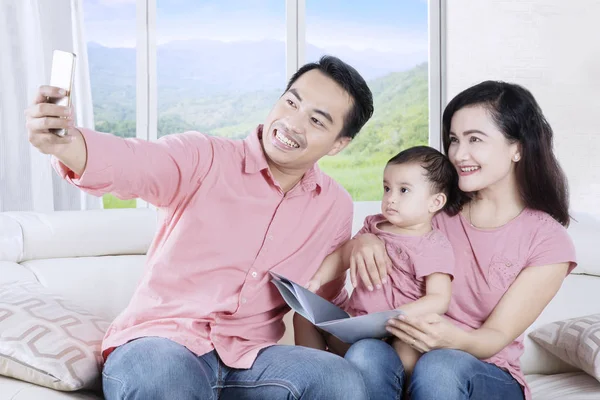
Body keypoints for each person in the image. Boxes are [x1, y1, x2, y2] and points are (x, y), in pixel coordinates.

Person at [25, 55, 374, 400]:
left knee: (338, 380)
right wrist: (66, 143)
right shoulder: (203, 156)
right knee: (164, 379)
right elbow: (129, 162)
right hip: (162, 345)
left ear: (338, 144)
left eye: (316, 120)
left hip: (251, 358)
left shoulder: (333, 205)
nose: (292, 124)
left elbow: (321, 300)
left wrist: (386, 305)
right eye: (291, 103)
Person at [343, 81, 576, 400]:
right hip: (409, 357)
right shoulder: (433, 212)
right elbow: (380, 232)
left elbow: (494, 337)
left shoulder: (549, 241)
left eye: (475, 139)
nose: (458, 154)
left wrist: (451, 339)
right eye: (453, 139)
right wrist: (365, 241)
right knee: (365, 353)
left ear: (517, 147)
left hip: (485, 370)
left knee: (440, 365)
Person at [293, 146, 460, 376]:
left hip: (395, 333)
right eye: (387, 188)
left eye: (404, 190)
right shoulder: (374, 226)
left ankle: (405, 389)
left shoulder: (433, 245)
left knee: (409, 351)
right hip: (355, 325)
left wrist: (393, 318)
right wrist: (315, 282)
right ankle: (316, 375)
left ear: (435, 202)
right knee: (303, 317)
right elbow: (343, 256)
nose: (390, 198)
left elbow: (439, 299)